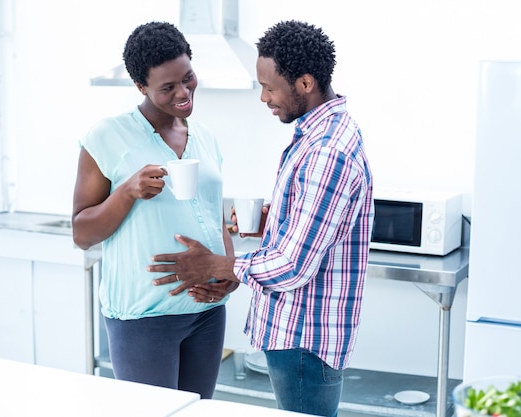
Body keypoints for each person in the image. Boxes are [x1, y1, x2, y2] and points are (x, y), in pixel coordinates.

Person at [147, 20, 374, 416]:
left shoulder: (325, 152)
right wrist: (276, 220)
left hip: (304, 338)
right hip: (302, 335)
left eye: (269, 87)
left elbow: (292, 266)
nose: (264, 97)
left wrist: (214, 266)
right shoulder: (326, 133)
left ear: (305, 84)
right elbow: (318, 226)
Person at [71, 21, 238, 398]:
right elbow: (82, 234)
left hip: (206, 311)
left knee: (198, 410)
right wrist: (127, 191)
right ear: (140, 87)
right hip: (145, 317)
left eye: (188, 78)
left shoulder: (206, 137)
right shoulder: (107, 136)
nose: (183, 92)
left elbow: (212, 214)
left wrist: (228, 269)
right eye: (167, 87)